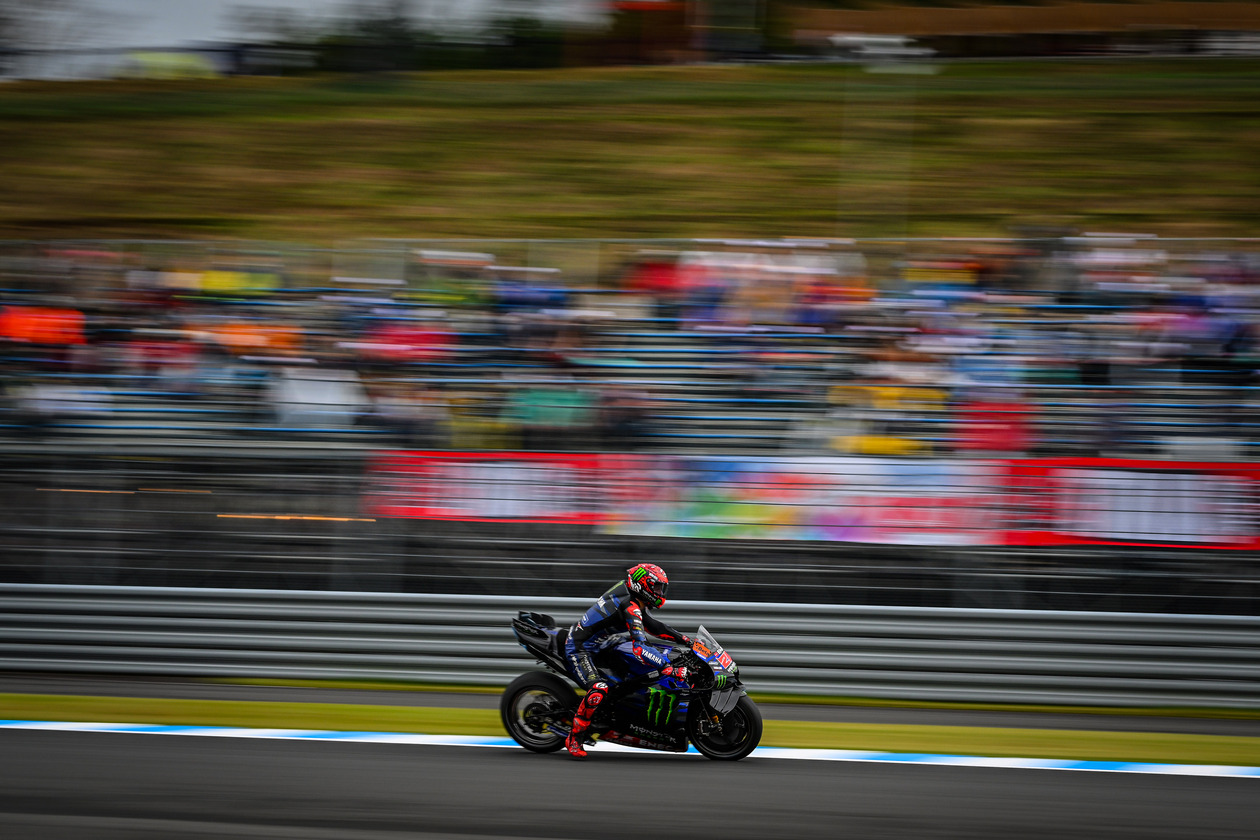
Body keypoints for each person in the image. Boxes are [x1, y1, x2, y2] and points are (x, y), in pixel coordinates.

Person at [563, 563, 692, 759]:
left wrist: (686, 640)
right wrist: (668, 668)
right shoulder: (629, 605)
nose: (659, 592)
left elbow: (653, 626)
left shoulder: (633, 598)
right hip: (580, 648)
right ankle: (574, 737)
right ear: (642, 585)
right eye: (656, 587)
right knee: (599, 689)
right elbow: (640, 647)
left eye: (660, 588)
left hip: (602, 643)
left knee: (635, 671)